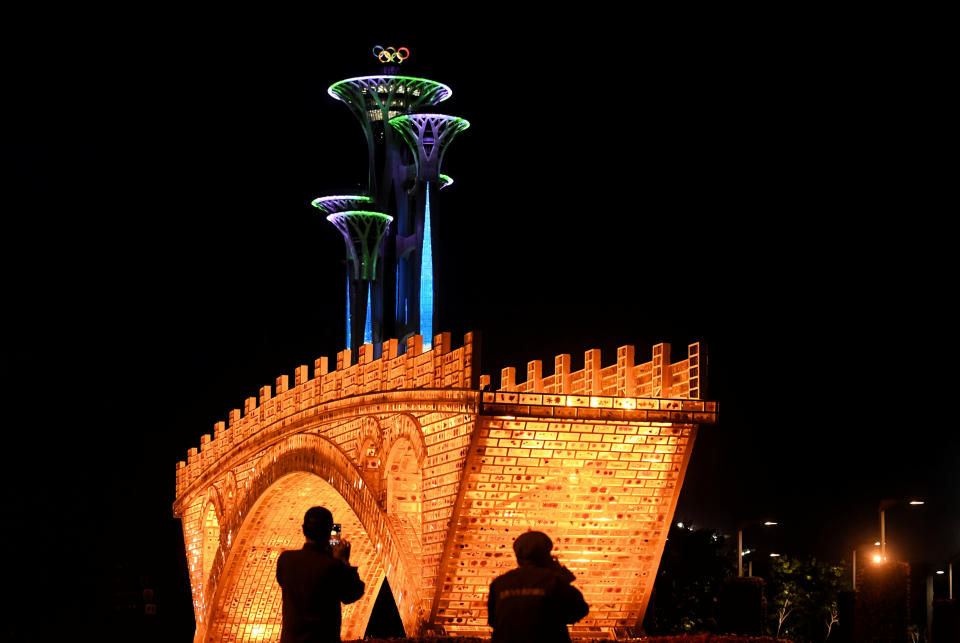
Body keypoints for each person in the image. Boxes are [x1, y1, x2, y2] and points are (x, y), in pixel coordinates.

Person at [276, 506, 365, 643]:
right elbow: (353, 593)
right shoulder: (333, 566)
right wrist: (343, 561)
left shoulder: (285, 560)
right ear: (329, 532)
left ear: (304, 529)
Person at [488, 530, 589, 643]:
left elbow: (493, 621)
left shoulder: (499, 583)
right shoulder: (553, 580)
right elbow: (579, 611)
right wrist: (564, 581)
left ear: (518, 557)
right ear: (546, 555)